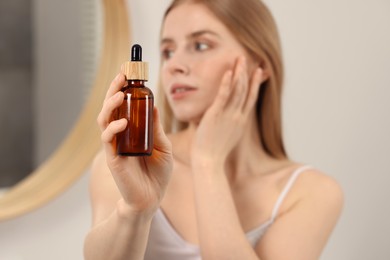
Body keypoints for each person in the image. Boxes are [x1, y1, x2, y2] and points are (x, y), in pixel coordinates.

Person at [84, 0, 343, 259]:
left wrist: (208, 163)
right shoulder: (129, 166)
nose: (174, 65)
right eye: (168, 52)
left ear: (260, 64)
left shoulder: (310, 192)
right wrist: (136, 210)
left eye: (201, 45)